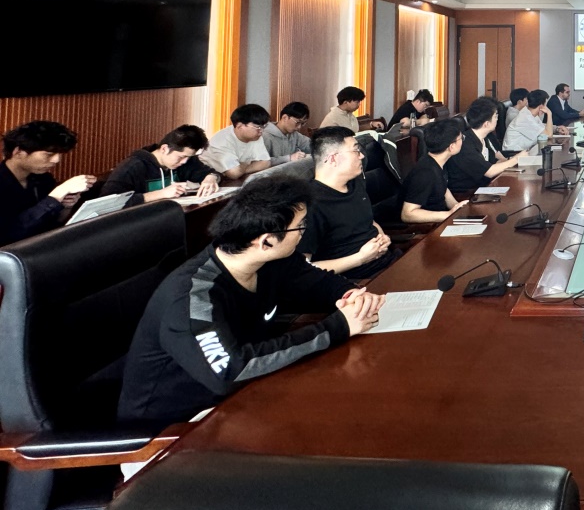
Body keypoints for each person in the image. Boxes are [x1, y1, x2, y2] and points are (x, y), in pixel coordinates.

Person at [117, 177, 385, 429]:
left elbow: (316, 282)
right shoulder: (193, 297)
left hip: (245, 396)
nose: (305, 232)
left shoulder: (273, 259)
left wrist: (351, 295)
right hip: (175, 426)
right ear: (266, 241)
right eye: (301, 226)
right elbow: (231, 371)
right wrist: (338, 327)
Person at [301, 127, 397, 279]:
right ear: (333, 159)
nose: (362, 156)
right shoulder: (310, 204)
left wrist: (382, 237)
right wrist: (360, 258)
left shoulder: (355, 183)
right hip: (357, 281)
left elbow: (368, 221)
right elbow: (302, 269)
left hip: (389, 262)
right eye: (356, 150)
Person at [0, 121, 95, 246]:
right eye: (49, 154)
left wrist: (65, 206)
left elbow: (52, 224)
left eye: (59, 154)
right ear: (18, 152)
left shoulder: (44, 179)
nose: (56, 160)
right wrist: (56, 195)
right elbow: (10, 234)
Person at [101, 125, 220, 206]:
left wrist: (211, 178)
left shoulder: (185, 161)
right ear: (164, 149)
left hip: (169, 217)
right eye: (181, 157)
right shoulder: (133, 166)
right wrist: (161, 194)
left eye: (188, 157)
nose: (184, 162)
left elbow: (214, 173)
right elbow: (108, 203)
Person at [447, 97, 526, 192]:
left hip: (485, 185)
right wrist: (517, 159)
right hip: (468, 192)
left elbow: (495, 161)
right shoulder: (465, 144)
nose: (497, 119)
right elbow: (489, 171)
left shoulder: (485, 137)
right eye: (495, 116)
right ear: (486, 124)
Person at [400, 118, 471, 224]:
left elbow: (443, 189)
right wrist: (449, 214)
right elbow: (407, 214)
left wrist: (458, 208)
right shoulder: (425, 172)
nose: (463, 141)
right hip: (426, 227)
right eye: (461, 138)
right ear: (451, 147)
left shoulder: (437, 161)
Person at [203, 105, 274, 181]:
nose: (261, 131)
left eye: (264, 126)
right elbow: (234, 173)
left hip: (230, 179)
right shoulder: (221, 141)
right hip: (205, 181)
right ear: (240, 126)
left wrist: (241, 167)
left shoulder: (255, 136)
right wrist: (249, 164)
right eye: (258, 127)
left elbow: (266, 163)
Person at [320, 86, 384, 132]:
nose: (359, 105)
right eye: (357, 102)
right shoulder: (333, 117)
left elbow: (355, 130)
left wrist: (371, 125)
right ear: (345, 102)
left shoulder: (349, 114)